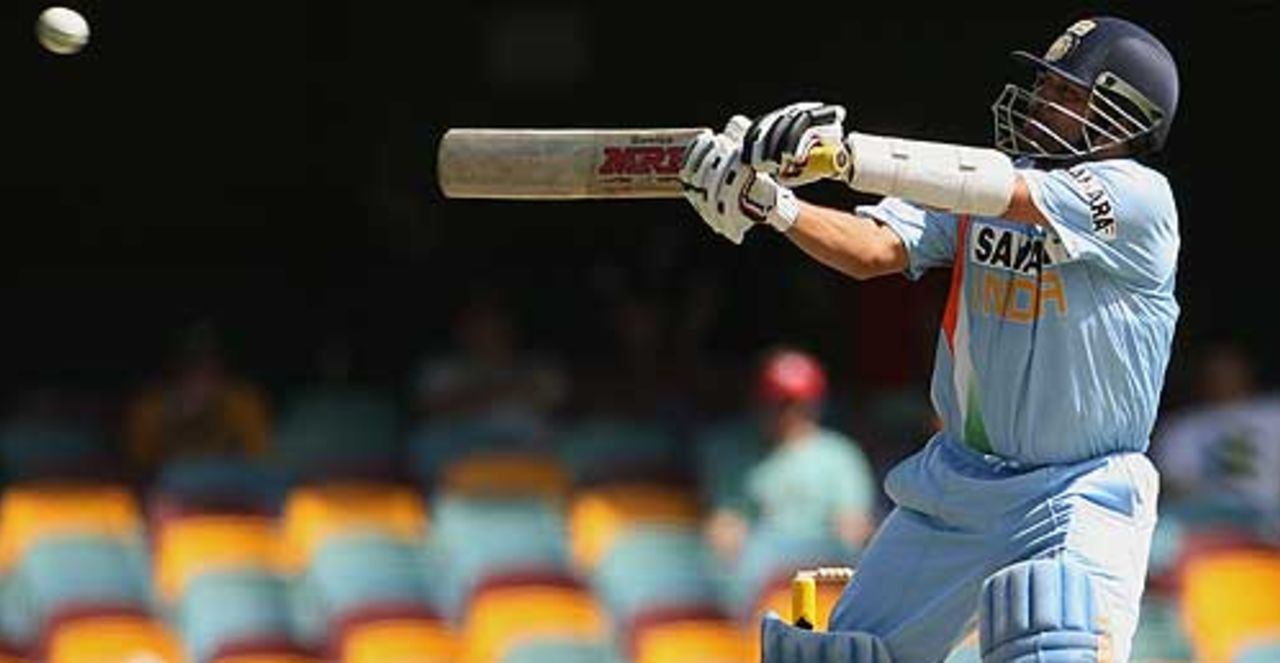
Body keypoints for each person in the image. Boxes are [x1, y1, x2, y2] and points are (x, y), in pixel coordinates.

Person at [677, 16, 1181, 663]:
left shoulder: (1141, 199)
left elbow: (1005, 191)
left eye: (1067, 93)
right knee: (836, 657)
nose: (1041, 101)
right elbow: (873, 249)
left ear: (1124, 117)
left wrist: (842, 154)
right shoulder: (986, 184)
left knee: (1055, 639)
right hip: (958, 479)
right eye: (1045, 85)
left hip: (1078, 489)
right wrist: (774, 205)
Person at [704, 347, 877, 565]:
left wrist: (848, 540)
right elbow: (726, 520)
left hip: (822, 565)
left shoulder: (840, 454)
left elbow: (854, 525)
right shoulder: (733, 450)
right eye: (776, 403)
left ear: (814, 405)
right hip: (759, 569)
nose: (786, 413)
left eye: (796, 404)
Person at [1151, 342, 1280, 528]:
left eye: (1229, 368)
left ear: (1246, 370)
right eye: (1214, 371)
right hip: (1203, 518)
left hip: (1267, 514)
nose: (1223, 376)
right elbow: (1175, 485)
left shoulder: (1273, 412)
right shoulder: (1181, 426)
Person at [124, 322, 272, 473]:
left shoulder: (240, 402)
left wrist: (217, 413)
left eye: (209, 367)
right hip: (169, 481)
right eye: (192, 366)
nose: (199, 378)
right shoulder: (152, 406)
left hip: (229, 480)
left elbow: (260, 458)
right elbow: (138, 462)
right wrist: (171, 418)